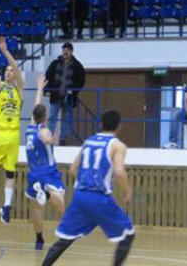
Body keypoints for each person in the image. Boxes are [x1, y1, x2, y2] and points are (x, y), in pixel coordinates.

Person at [42, 110, 135, 266]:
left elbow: (73, 170)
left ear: (101, 124)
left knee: (65, 239)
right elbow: (119, 173)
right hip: (99, 198)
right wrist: (128, 191)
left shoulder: (88, 142)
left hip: (80, 197)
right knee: (127, 234)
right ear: (119, 126)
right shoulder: (118, 145)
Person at [0, 36, 25, 224]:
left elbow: (16, 67)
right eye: (7, 71)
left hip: (13, 134)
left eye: (11, 71)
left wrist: (5, 51)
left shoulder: (19, 89)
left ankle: (7, 207)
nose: (9, 73)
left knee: (10, 173)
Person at [25, 75, 65, 251]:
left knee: (37, 209)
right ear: (45, 117)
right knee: (59, 199)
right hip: (47, 171)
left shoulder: (30, 127)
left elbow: (37, 104)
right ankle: (67, 227)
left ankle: (39, 240)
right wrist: (51, 139)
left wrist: (40, 88)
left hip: (33, 173)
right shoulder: (43, 130)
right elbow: (45, 138)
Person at [45, 43, 86, 145]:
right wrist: (47, 90)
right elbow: (48, 76)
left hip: (69, 96)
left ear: (71, 52)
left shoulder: (77, 65)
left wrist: (74, 91)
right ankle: (49, 138)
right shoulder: (55, 63)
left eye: (67, 50)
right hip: (56, 94)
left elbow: (81, 80)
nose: (65, 52)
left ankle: (62, 139)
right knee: (52, 117)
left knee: (66, 118)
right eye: (64, 50)